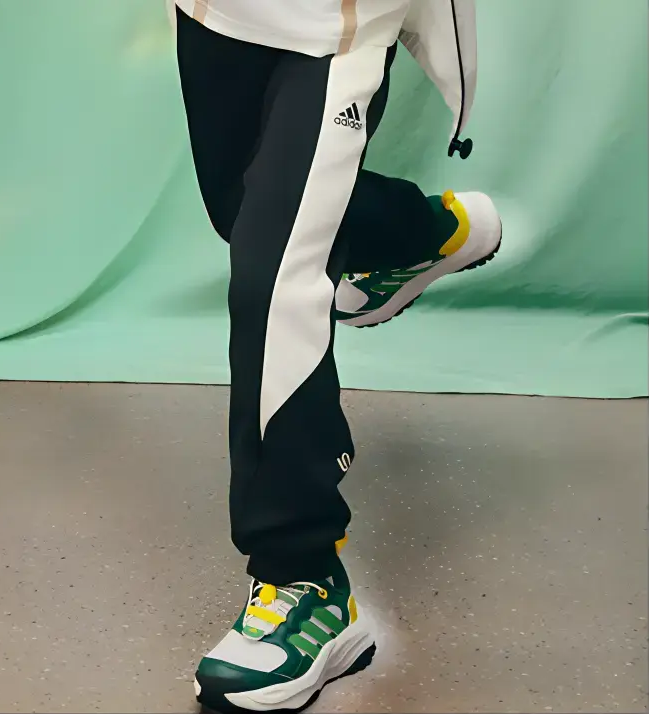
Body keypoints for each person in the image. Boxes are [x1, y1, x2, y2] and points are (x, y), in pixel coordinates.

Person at [168, 1, 501, 712]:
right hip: (212, 13)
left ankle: (304, 573)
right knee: (245, 214)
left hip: (334, 25)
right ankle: (422, 233)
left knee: (274, 281)